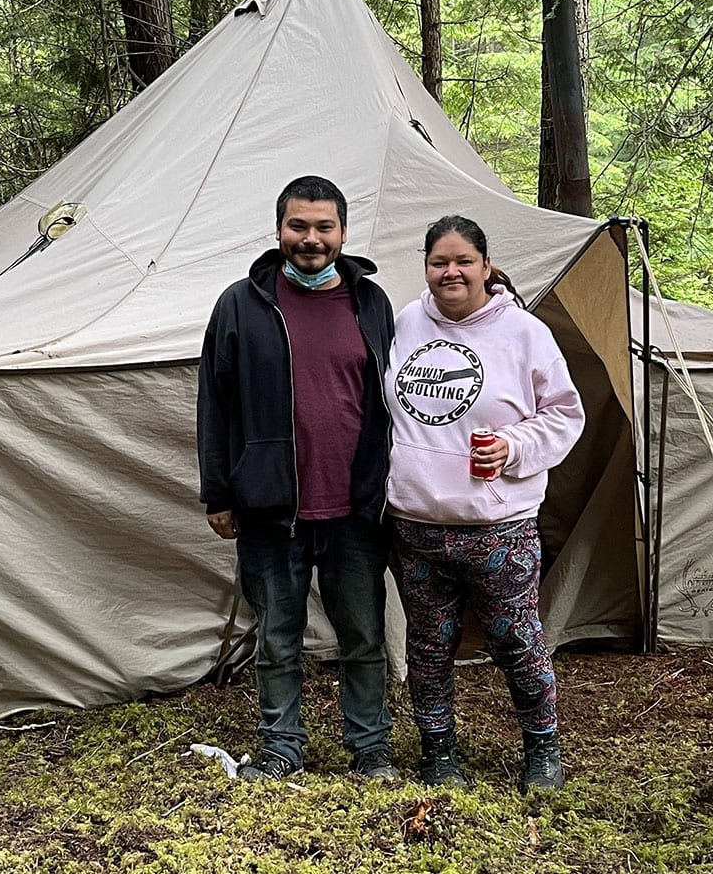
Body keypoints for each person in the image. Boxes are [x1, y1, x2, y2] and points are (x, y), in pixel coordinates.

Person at [196, 176, 399, 782]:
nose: (311, 239)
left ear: (342, 231)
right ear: (279, 229)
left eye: (324, 227)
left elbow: (401, 395)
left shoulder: (371, 303)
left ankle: (372, 749)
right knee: (278, 640)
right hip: (269, 508)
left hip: (356, 507)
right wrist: (219, 492)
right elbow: (215, 401)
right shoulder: (241, 302)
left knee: (362, 638)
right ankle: (281, 747)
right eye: (298, 226)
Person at [384, 214, 585, 792]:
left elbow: (566, 415)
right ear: (426, 269)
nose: (451, 272)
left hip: (497, 526)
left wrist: (514, 447)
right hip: (416, 525)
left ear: (486, 266)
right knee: (427, 644)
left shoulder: (524, 333)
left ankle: (542, 750)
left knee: (517, 640)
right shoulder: (405, 322)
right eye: (439, 262)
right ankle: (438, 752)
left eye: (463, 261)